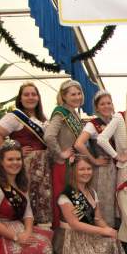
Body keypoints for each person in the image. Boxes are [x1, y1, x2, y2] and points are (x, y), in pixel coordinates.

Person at [54, 156, 127, 254]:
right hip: (71, 239)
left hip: (89, 234)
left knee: (112, 240)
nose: (86, 172)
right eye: (81, 169)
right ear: (73, 171)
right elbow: (75, 224)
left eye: (89, 169)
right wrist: (103, 231)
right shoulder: (66, 195)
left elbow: (98, 219)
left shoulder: (92, 192)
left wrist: (110, 230)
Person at [0, 82, 52, 225]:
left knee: (42, 201)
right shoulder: (14, 117)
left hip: (44, 168)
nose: (30, 97)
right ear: (20, 98)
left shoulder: (43, 118)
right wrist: (13, 153)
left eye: (34, 94)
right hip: (27, 167)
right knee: (29, 199)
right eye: (26, 94)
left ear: (38, 98)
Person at [74, 90, 117, 225]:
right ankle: (102, 230)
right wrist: (94, 161)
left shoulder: (115, 121)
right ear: (97, 108)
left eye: (108, 103)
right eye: (102, 104)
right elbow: (78, 144)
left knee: (114, 201)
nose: (106, 106)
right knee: (103, 202)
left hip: (115, 167)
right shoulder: (93, 124)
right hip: (102, 170)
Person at [45, 80, 84, 228]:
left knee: (73, 199)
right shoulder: (60, 112)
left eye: (79, 93)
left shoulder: (74, 112)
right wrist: (61, 154)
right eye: (73, 94)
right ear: (64, 96)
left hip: (73, 164)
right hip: (63, 165)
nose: (77, 97)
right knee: (64, 199)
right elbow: (49, 136)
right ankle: (63, 235)